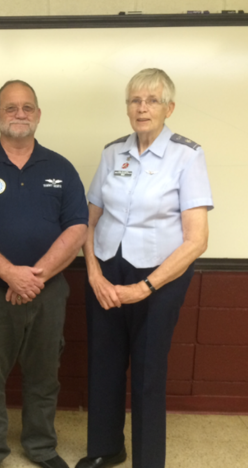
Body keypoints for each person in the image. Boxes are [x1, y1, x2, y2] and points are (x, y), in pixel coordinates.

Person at [76, 69, 213, 468]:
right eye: (135, 100)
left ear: (169, 108)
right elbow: (89, 218)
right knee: (104, 362)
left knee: (148, 371)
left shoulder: (187, 155)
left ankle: (148, 460)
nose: (142, 108)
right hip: (107, 270)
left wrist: (145, 287)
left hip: (160, 275)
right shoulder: (112, 152)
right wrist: (93, 274)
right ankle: (105, 449)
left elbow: (196, 240)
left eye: (152, 100)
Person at [0, 80, 89, 468]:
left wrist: (33, 277)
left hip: (47, 293)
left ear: (38, 116)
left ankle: (41, 447)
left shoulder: (61, 168)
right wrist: (10, 273)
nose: (20, 114)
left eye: (27, 107)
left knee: (45, 375)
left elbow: (77, 228)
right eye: (10, 108)